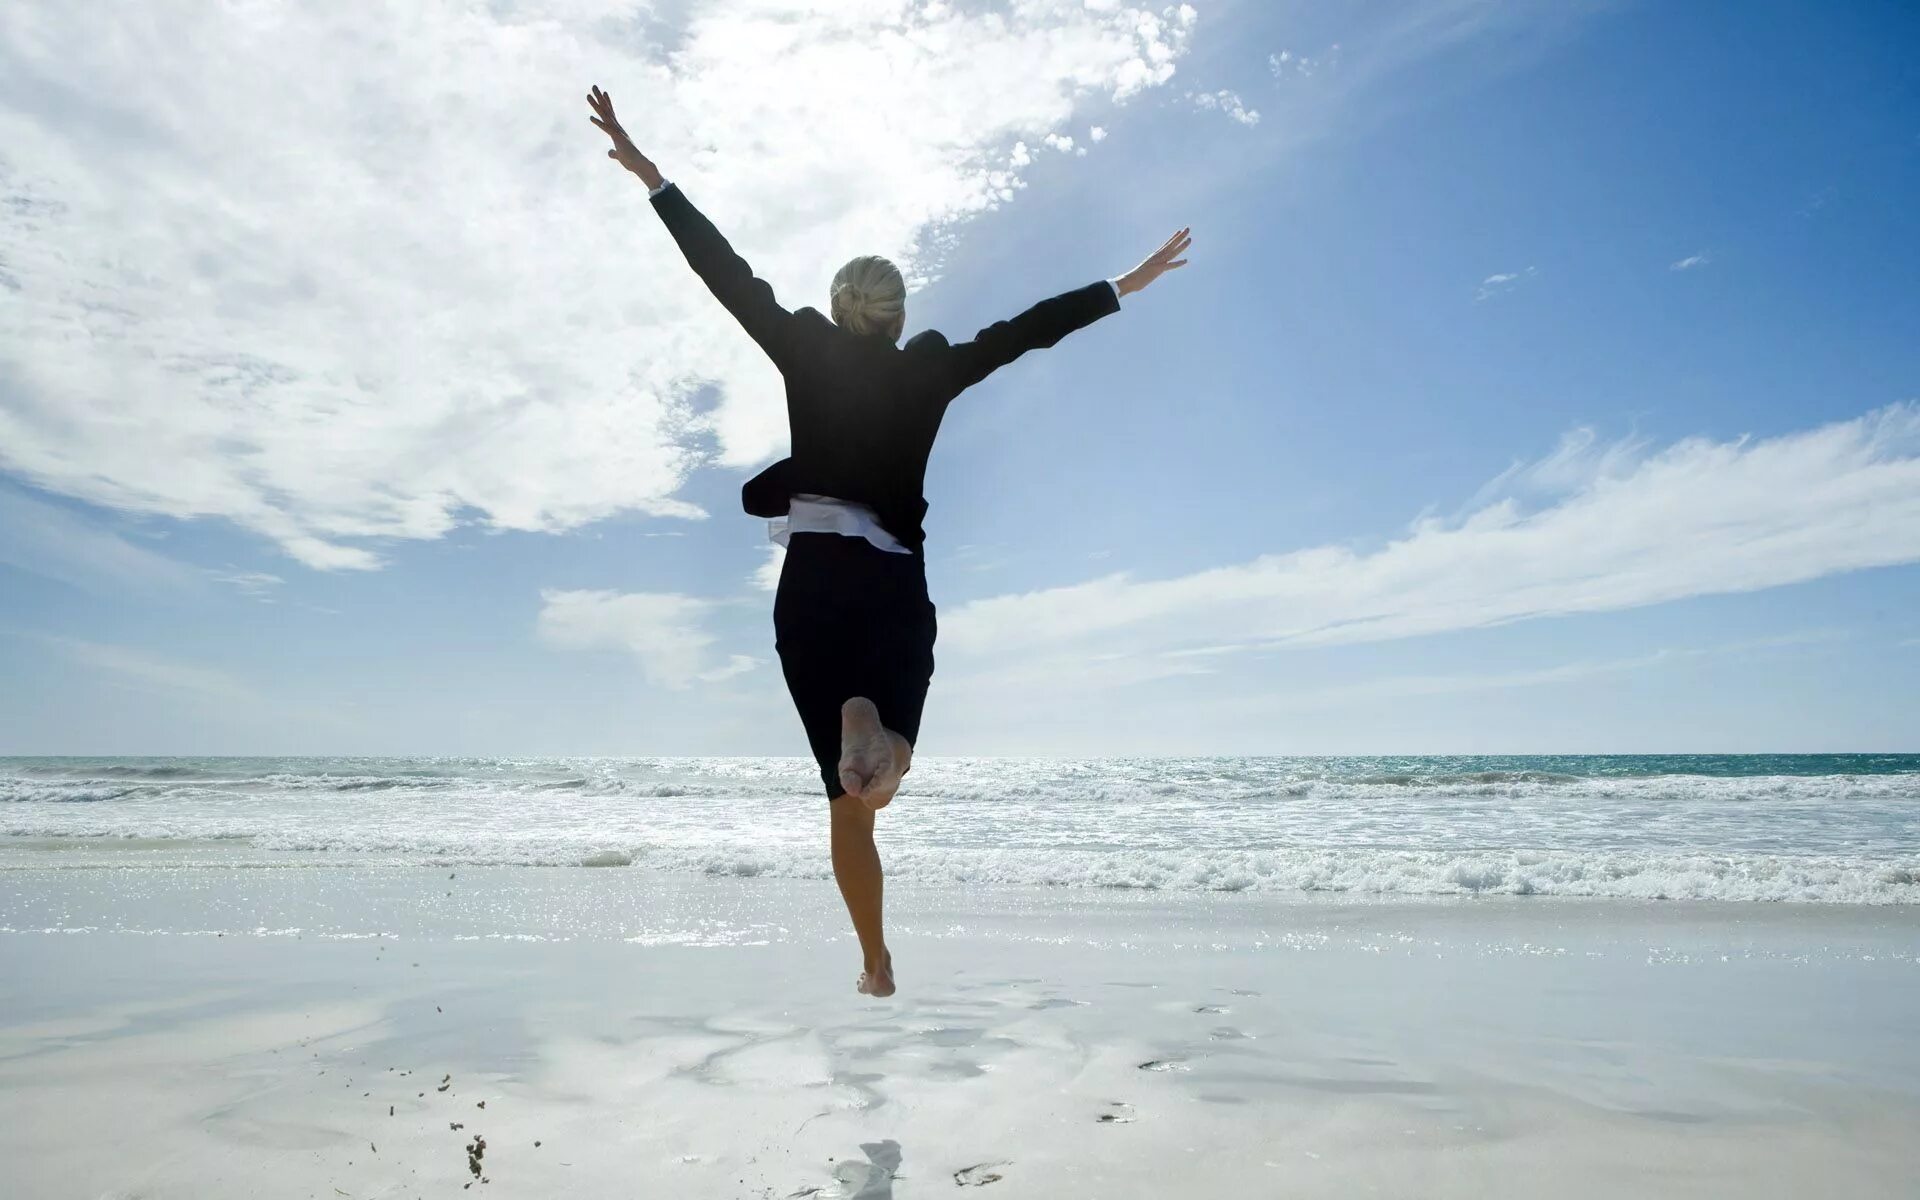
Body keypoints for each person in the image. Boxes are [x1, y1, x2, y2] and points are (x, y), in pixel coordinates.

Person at [588, 85, 1190, 997]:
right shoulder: (932, 370)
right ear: (900, 317)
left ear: (836, 312)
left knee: (846, 806)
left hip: (812, 583)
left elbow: (728, 276)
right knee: (886, 763)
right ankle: (882, 736)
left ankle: (875, 955)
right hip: (889, 584)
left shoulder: (802, 347)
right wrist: (1122, 286)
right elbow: (1024, 332)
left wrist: (654, 178)